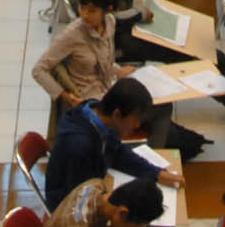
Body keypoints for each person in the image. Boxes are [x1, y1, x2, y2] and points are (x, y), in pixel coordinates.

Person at [45, 77, 181, 210]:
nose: (138, 125)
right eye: (135, 119)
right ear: (117, 115)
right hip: (68, 208)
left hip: (92, 186)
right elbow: (81, 202)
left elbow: (117, 152)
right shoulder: (78, 145)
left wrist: (156, 173)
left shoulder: (98, 115)